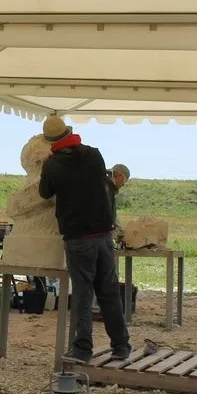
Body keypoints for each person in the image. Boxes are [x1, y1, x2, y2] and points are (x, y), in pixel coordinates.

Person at [38, 115, 131, 362]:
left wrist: (48, 164)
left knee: (82, 294)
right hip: (103, 235)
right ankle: (121, 345)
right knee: (108, 292)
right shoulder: (94, 155)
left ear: (50, 142)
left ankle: (82, 348)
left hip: (78, 238)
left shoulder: (53, 164)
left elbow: (44, 192)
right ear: (70, 133)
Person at [107, 163, 130, 247]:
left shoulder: (109, 190)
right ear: (119, 176)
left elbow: (113, 217)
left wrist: (120, 232)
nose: (123, 184)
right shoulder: (106, 189)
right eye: (124, 181)